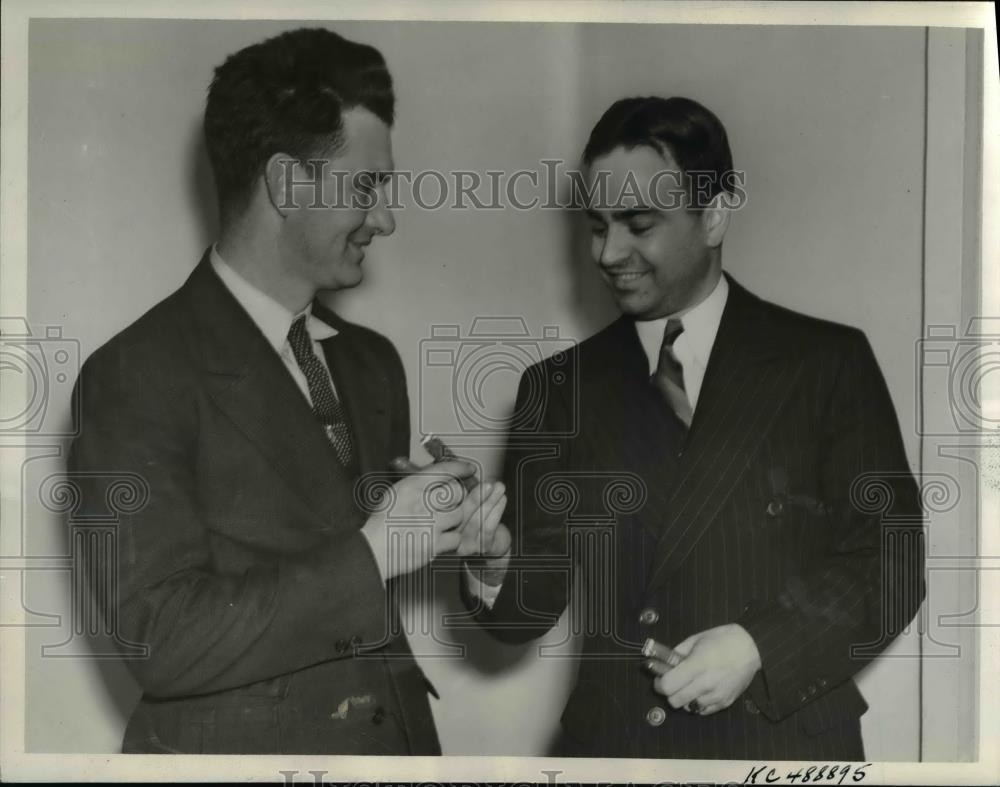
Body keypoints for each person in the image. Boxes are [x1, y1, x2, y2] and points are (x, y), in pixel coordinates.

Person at [67, 27, 505, 755]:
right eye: (367, 187)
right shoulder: (132, 375)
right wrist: (380, 547)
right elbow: (161, 639)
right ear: (285, 182)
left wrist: (474, 555)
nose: (387, 218)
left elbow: (356, 594)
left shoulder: (371, 364)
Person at [462, 96, 925, 760]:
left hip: (782, 742)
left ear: (713, 215)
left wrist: (758, 644)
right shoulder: (557, 388)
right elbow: (525, 612)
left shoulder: (825, 362)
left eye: (638, 223)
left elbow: (892, 559)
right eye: (596, 225)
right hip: (621, 749)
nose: (608, 252)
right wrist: (492, 559)